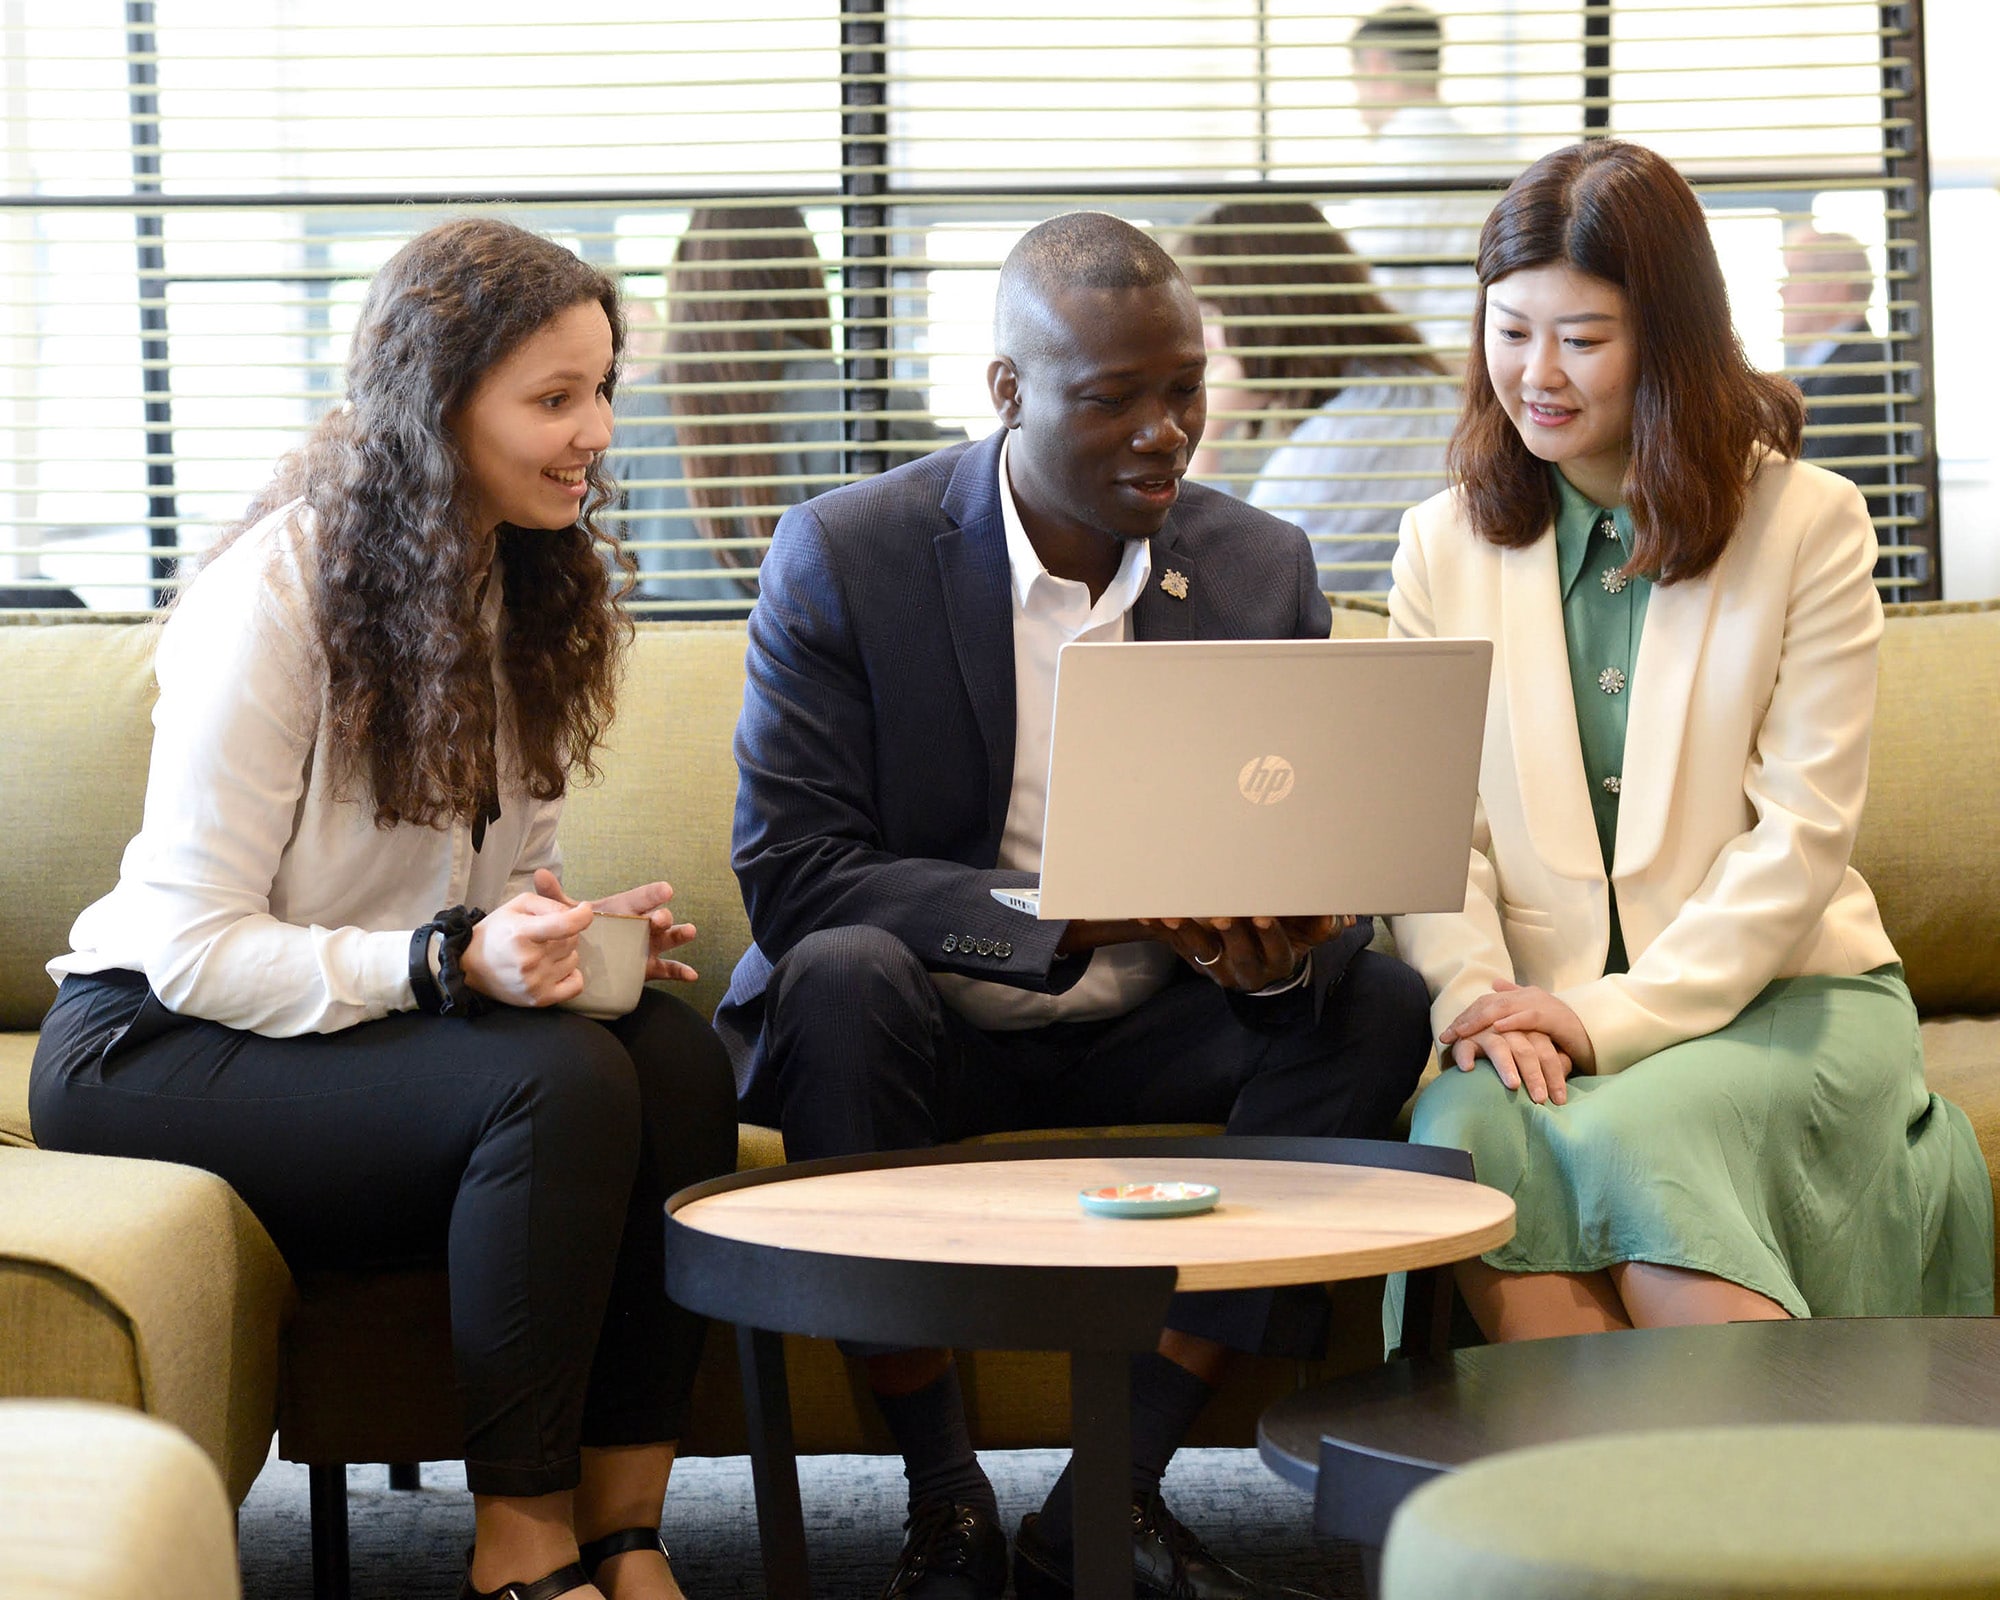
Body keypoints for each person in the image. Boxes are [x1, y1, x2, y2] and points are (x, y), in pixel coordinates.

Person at [716, 209, 1432, 1600]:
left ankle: (1113, 1493)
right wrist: (1071, 914)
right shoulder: (847, 556)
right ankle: (945, 1500)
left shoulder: (1258, 566)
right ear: (1008, 392)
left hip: (1166, 1013)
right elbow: (796, 871)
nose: (1165, 432)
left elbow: (1302, 840)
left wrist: (1281, 947)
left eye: (1185, 390)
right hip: (933, 1014)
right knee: (838, 979)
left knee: (1377, 1005)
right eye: (1113, 399)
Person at [28, 218, 740, 1600]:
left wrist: (559, 941)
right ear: (438, 407)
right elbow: (192, 944)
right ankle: (520, 1556)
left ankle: (623, 1528)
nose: (596, 429)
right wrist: (447, 964)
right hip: (154, 1045)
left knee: (669, 1055)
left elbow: (481, 900)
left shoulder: (527, 583)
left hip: (340, 1029)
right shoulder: (278, 593)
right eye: (552, 399)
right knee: (559, 1089)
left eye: (602, 388)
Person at [1386, 140, 1993, 1346]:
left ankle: (1752, 1516)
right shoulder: (1436, 545)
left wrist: (1603, 1021)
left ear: (1666, 338)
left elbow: (1799, 840)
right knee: (1459, 1137)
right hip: (1527, 1008)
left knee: (1633, 1134)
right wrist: (1478, 1002)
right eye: (1508, 330)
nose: (1535, 374)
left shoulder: (1804, 524)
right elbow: (1426, 835)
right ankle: (1608, 1523)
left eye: (1582, 337)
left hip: (1778, 995)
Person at [611, 205, 956, 618]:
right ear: (803, 278)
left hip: (676, 673)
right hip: (831, 678)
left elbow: (606, 590)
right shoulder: (877, 410)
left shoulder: (624, 420)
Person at [1178, 200, 1455, 591]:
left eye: (1208, 311)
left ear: (1259, 311)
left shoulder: (1364, 427)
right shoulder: (1398, 388)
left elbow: (1241, 588)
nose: (1200, 338)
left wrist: (1205, 435)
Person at [1336, 4, 1496, 356]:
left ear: (1376, 66)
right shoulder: (1490, 160)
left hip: (1431, 373)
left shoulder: (1397, 162)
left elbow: (1373, 295)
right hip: (1490, 363)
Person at [1780, 223, 1896, 493]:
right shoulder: (1827, 370)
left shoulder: (1861, 370)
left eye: (1792, 275)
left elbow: (1813, 487)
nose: (1782, 290)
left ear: (1833, 287)